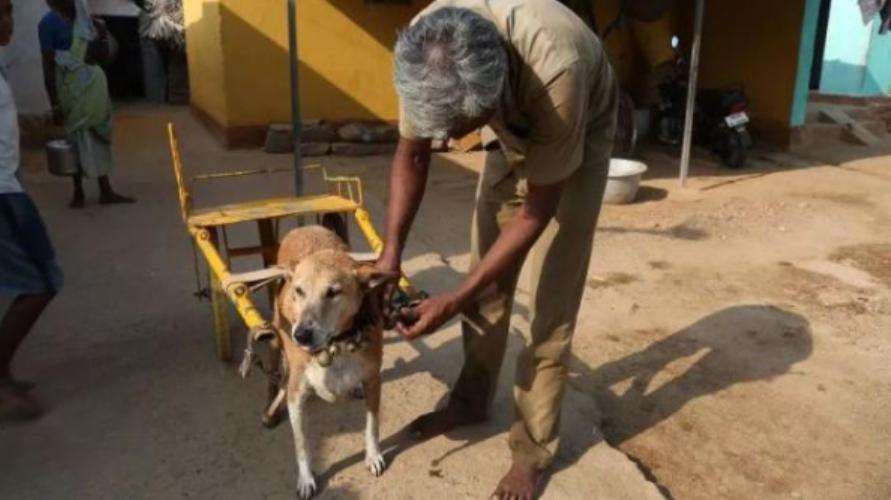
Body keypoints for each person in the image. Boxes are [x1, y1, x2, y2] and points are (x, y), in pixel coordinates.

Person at [376, 1, 618, 498]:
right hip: (510, 106)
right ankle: (470, 398)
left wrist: (456, 296)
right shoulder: (425, 48)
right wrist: (389, 255)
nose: (448, 139)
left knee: (552, 303)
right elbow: (412, 153)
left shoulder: (559, 70)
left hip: (580, 122)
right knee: (485, 274)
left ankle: (531, 449)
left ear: (490, 100)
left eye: (458, 127)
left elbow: (536, 211)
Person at [0, 0, 63, 419]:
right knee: (40, 283)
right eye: (3, 11)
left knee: (43, 279)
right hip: (2, 196)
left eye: (9, 9)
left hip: (10, 187)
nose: (10, 19)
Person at [39, 0, 134, 208]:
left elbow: (100, 58)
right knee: (75, 139)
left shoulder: (86, 21)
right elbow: (47, 66)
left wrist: (102, 33)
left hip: (94, 87)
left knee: (100, 135)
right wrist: (54, 104)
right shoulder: (47, 24)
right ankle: (78, 191)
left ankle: (105, 189)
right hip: (70, 90)